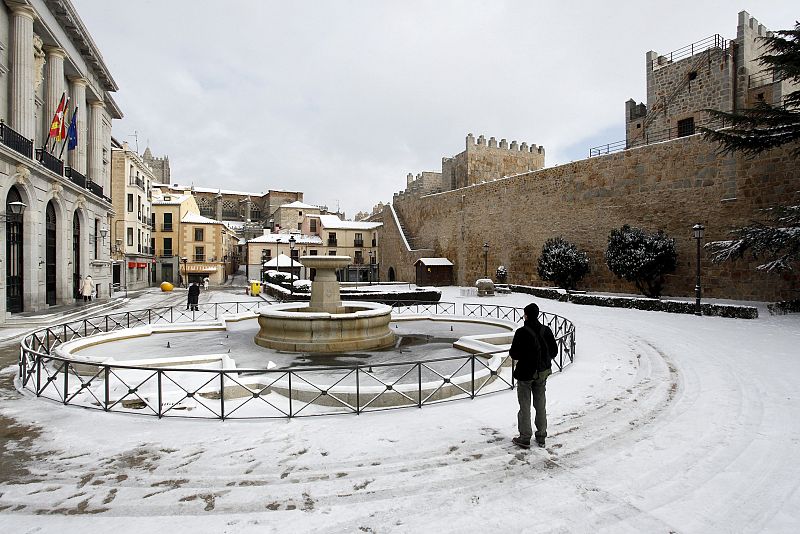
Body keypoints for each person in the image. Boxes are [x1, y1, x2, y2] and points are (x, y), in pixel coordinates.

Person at [509, 302, 557, 449]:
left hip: (525, 374)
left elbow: (514, 353)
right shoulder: (546, 330)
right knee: (540, 405)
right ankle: (541, 435)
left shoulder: (521, 332)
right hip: (541, 374)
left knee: (525, 406)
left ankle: (524, 437)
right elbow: (554, 352)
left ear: (527, 315)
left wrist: (526, 355)